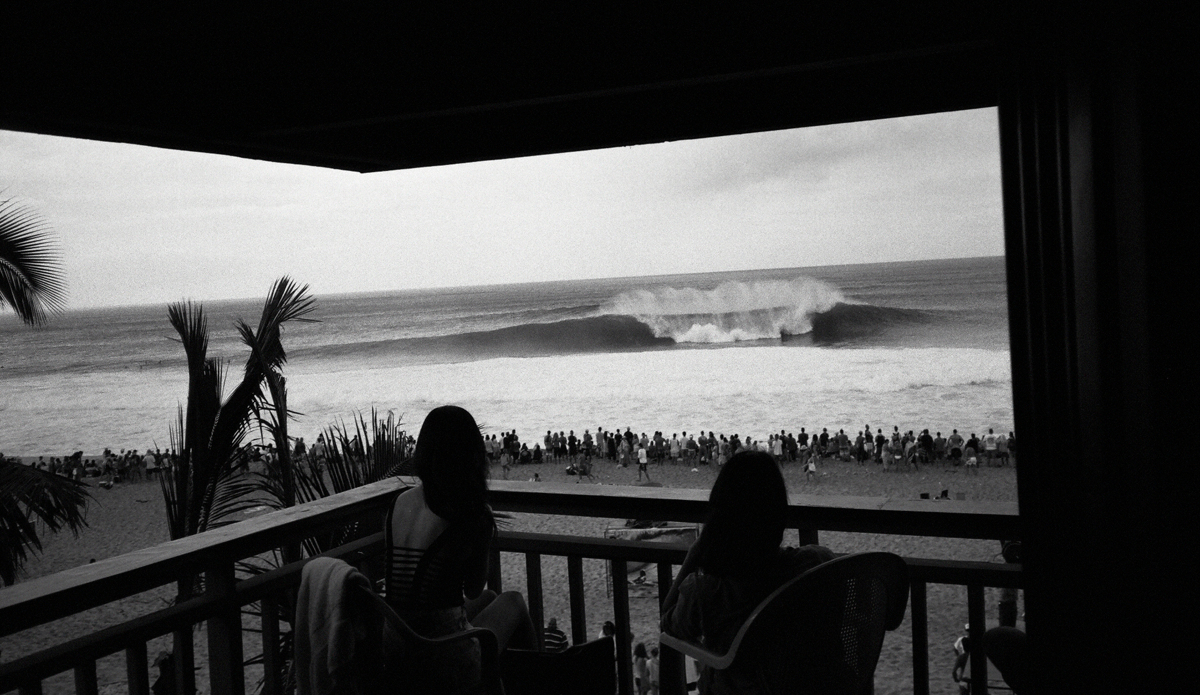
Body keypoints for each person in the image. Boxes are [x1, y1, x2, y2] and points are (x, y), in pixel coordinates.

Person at [384, 406, 538, 691]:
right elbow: (473, 589)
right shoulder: (470, 514)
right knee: (513, 601)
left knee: (493, 597)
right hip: (443, 652)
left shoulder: (399, 503)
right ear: (470, 455)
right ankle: (539, 683)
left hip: (398, 644)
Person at [661, 451, 834, 694]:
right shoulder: (815, 562)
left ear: (719, 521)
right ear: (778, 513)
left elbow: (668, 622)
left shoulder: (705, 591)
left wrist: (697, 550)